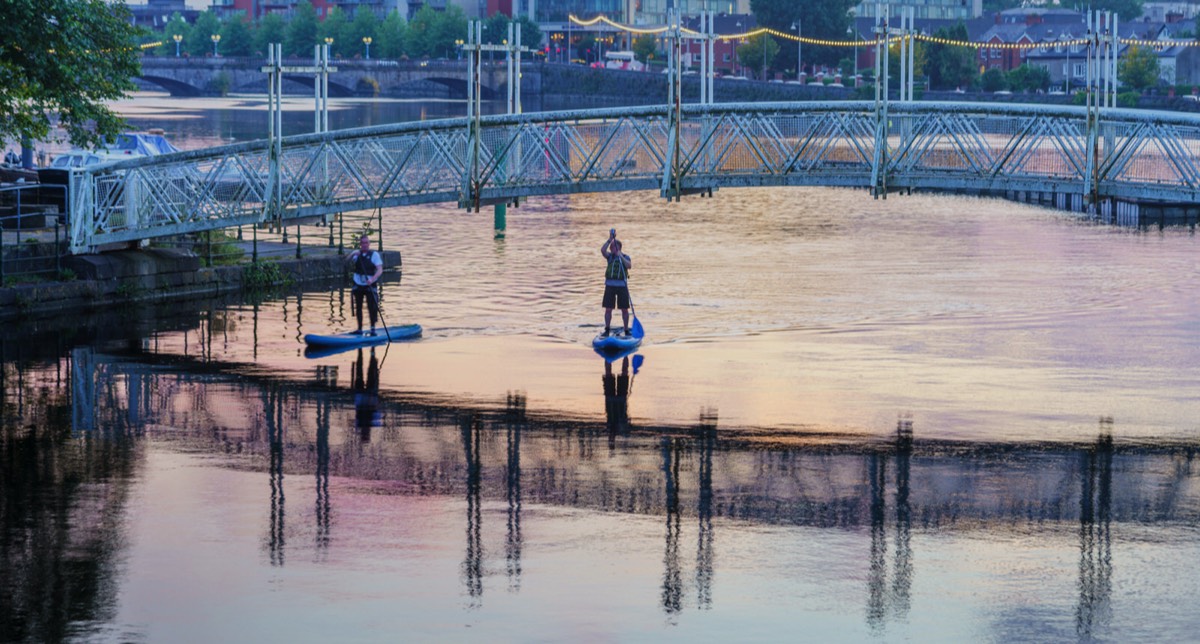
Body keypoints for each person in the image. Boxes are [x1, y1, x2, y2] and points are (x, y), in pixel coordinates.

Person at [347, 233, 384, 335]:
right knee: (358, 306)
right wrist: (352, 254)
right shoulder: (357, 255)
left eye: (366, 243)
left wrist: (372, 279)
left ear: (369, 244)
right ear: (360, 244)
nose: (364, 245)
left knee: (371, 306)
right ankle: (359, 329)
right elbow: (346, 262)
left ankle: (372, 329)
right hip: (358, 284)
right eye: (362, 243)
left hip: (369, 285)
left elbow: (380, 269)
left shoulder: (374, 255)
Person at [600, 229, 632, 336]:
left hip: (622, 287)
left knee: (624, 309)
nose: (610, 249)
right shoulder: (610, 257)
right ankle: (607, 329)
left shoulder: (626, 257)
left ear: (618, 248)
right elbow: (602, 250)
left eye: (612, 247)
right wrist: (609, 239)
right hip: (610, 286)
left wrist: (621, 256)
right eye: (611, 247)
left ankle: (626, 329)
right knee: (608, 309)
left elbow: (629, 266)